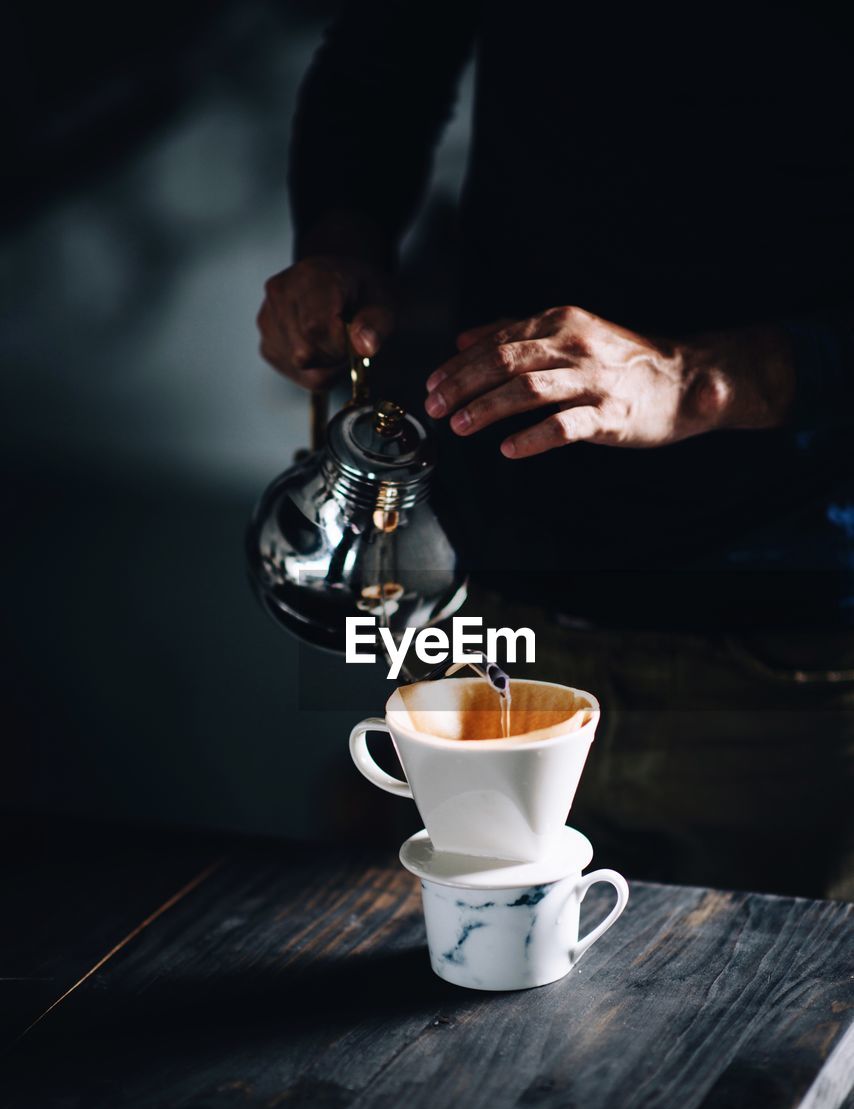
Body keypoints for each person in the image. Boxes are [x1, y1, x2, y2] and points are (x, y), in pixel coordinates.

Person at [258, 2, 854, 899]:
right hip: (491, 594)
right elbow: (383, 61)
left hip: (779, 642)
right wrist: (341, 243)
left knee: (756, 1014)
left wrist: (702, 380)